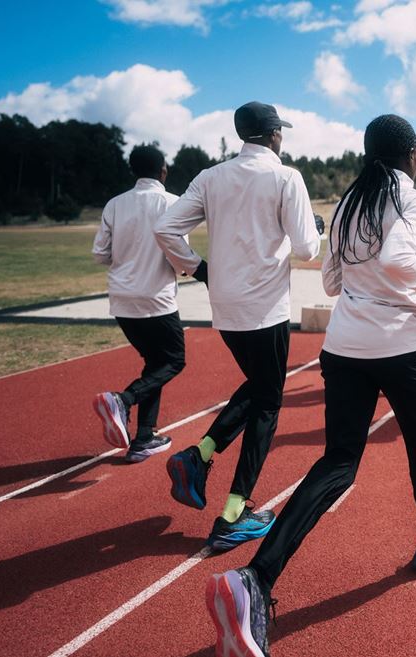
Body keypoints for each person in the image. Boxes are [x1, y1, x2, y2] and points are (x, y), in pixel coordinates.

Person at [205, 114, 416, 657]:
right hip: (396, 343)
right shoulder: (415, 201)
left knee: (338, 462)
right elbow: (398, 259)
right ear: (411, 152)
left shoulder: (349, 202)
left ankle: (255, 579)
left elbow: (329, 279)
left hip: (344, 345)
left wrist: (370, 283)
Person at [154, 101, 322, 551]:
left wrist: (198, 268)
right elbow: (307, 248)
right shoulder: (286, 176)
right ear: (272, 135)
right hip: (264, 307)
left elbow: (167, 229)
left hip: (225, 305)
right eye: (280, 132)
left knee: (260, 386)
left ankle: (200, 456)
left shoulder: (211, 177)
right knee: (268, 403)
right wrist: (311, 226)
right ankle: (232, 513)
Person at [91, 145, 185, 463]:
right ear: (163, 170)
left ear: (133, 171)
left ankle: (144, 437)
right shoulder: (172, 202)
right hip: (156, 298)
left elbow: (100, 254)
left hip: (121, 300)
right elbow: (178, 252)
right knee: (174, 361)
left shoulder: (114, 205)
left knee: (155, 363)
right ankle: (123, 399)